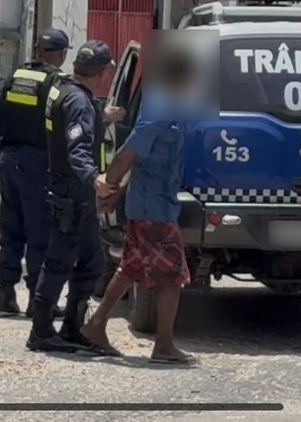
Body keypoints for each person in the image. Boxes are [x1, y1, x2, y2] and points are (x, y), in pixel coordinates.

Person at [80, 49, 197, 364]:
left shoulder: (172, 110)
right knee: (173, 277)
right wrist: (109, 187)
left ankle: (95, 324)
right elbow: (128, 153)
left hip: (152, 202)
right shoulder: (160, 111)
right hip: (153, 209)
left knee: (130, 267)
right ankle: (163, 346)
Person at [26, 40, 118, 353]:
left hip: (65, 188)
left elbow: (71, 126)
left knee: (91, 260)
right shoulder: (78, 101)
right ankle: (41, 332)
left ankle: (72, 328)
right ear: (103, 72)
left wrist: (102, 116)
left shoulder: (62, 89)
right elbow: (78, 149)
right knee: (59, 263)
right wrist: (97, 181)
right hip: (73, 192)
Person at [0, 28, 70, 318]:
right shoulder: (55, 82)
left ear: (37, 49)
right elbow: (60, 128)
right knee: (38, 231)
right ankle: (36, 298)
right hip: (36, 164)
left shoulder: (16, 77)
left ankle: (6, 294)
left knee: (12, 229)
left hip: (8, 160)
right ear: (62, 54)